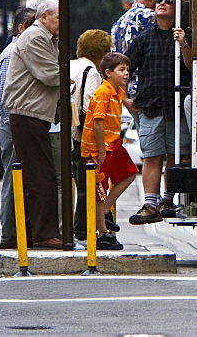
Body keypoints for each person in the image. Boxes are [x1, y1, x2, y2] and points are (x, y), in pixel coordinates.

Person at [125, 0, 192, 225]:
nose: (162, 4)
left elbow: (192, 66)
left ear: (178, 11)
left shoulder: (185, 36)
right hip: (151, 106)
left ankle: (168, 200)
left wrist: (184, 43)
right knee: (152, 156)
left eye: (169, 2)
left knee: (175, 154)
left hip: (175, 106)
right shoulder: (144, 38)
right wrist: (124, 97)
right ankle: (150, 203)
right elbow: (125, 66)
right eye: (160, 1)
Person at [3, 0, 64, 249]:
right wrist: (67, 78)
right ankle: (43, 233)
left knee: (38, 174)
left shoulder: (45, 38)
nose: (62, 23)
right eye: (59, 18)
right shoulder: (36, 37)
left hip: (34, 113)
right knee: (41, 175)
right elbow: (51, 75)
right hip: (27, 112)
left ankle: (33, 231)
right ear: (45, 16)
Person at [80, 52, 139, 250]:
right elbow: (97, 123)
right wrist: (100, 151)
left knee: (129, 173)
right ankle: (103, 232)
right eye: (121, 70)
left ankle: (105, 211)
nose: (126, 74)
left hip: (113, 142)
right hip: (99, 148)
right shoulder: (103, 92)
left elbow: (124, 99)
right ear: (108, 73)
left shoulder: (116, 90)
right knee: (99, 189)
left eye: (127, 69)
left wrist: (130, 104)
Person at [0, 7, 37, 250]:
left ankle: (20, 231)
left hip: (20, 123)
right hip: (13, 124)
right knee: (14, 177)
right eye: (32, 25)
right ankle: (10, 234)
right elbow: (1, 100)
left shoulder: (23, 51)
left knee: (22, 177)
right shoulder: (12, 55)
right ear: (21, 28)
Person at [69, 29, 114, 242]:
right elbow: (91, 108)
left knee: (71, 183)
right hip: (82, 137)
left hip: (64, 131)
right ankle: (82, 228)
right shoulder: (92, 72)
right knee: (88, 184)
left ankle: (73, 227)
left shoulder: (71, 65)